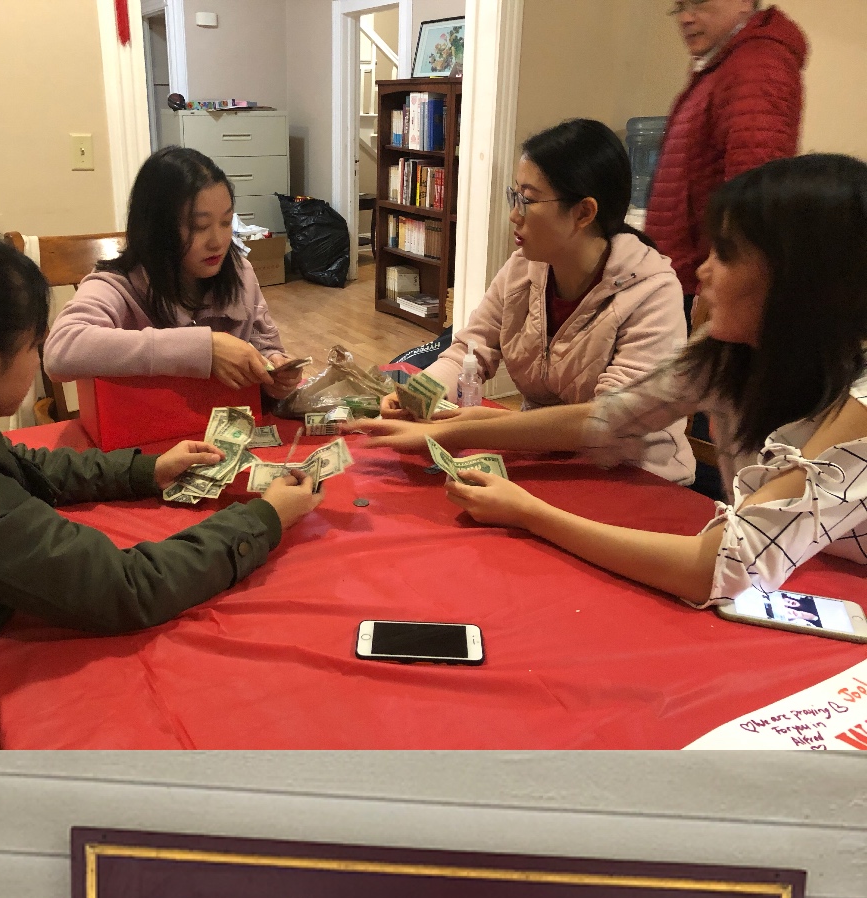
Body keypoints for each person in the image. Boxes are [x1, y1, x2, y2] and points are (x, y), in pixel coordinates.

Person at [0, 204, 321, 749]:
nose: (39, 358)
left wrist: (147, 469)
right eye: (33, 345)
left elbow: (21, 462)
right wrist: (264, 518)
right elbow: (122, 587)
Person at [359, 155, 867, 610]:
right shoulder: (726, 354)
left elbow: (717, 568)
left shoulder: (858, 404)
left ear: (802, 282)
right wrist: (451, 429)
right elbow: (607, 417)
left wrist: (531, 514)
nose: (703, 270)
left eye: (727, 255)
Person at [382, 119, 694, 485]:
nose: (514, 214)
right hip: (547, 459)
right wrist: (417, 396)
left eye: (527, 200)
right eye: (514, 197)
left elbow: (608, 421)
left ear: (584, 212)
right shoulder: (524, 268)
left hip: (636, 477)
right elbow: (469, 350)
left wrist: (463, 429)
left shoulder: (652, 292)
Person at [44, 147, 299, 397]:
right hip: (147, 422)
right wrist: (205, 348)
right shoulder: (117, 285)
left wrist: (275, 371)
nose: (218, 242)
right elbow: (60, 351)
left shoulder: (240, 273)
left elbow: (265, 346)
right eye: (199, 226)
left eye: (226, 222)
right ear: (157, 229)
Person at [645, 1, 807, 314]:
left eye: (699, 2)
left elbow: (754, 196)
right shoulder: (724, 64)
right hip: (684, 279)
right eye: (679, 6)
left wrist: (716, 293)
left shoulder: (757, 65)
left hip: (703, 287)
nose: (686, 18)